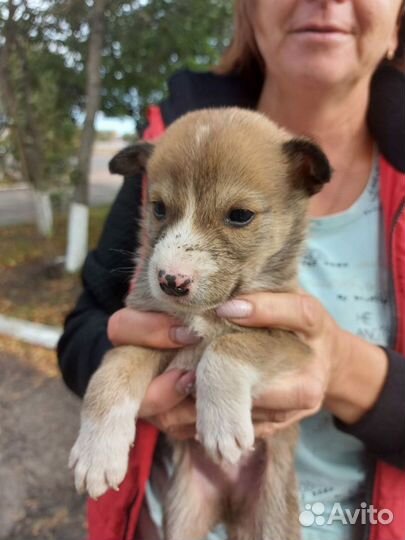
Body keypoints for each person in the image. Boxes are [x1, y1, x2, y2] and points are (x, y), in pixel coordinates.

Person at [58, 1, 405, 539]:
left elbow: (279, 348)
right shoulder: (171, 144)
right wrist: (117, 386)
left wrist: (344, 370)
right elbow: (84, 331)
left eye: (238, 216)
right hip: (171, 500)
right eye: (162, 212)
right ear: (248, 12)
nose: (172, 266)